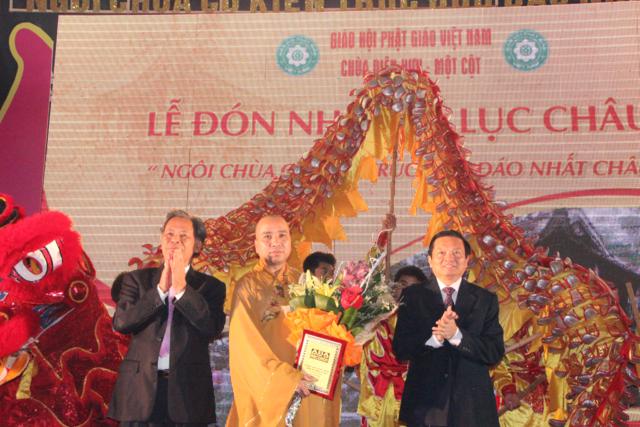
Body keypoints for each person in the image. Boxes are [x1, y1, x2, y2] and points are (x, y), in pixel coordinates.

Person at [108, 210, 226, 426]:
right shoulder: (136, 280)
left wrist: (182, 289)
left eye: (183, 236)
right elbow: (122, 323)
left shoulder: (212, 287)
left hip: (187, 393)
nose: (175, 241)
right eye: (170, 235)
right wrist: (160, 290)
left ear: (197, 245)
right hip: (140, 390)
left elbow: (211, 327)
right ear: (161, 240)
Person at [226, 215, 341, 427]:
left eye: (282, 235)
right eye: (267, 236)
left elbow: (325, 332)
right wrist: (286, 378)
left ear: (290, 241)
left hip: (308, 385)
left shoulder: (305, 283)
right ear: (256, 245)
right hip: (268, 390)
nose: (275, 242)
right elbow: (245, 346)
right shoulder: (247, 287)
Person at [392, 230, 504, 427]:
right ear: (430, 260)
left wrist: (457, 336)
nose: (449, 258)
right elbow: (401, 348)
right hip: (426, 407)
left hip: (472, 408)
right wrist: (434, 339)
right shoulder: (413, 296)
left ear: (467, 260)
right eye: (441, 253)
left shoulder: (485, 300)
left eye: (456, 253)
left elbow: (494, 352)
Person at [358, 265, 428, 427]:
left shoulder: (427, 321)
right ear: (394, 287)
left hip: (410, 393)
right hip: (376, 389)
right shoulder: (375, 317)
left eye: (413, 287)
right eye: (403, 284)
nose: (407, 291)